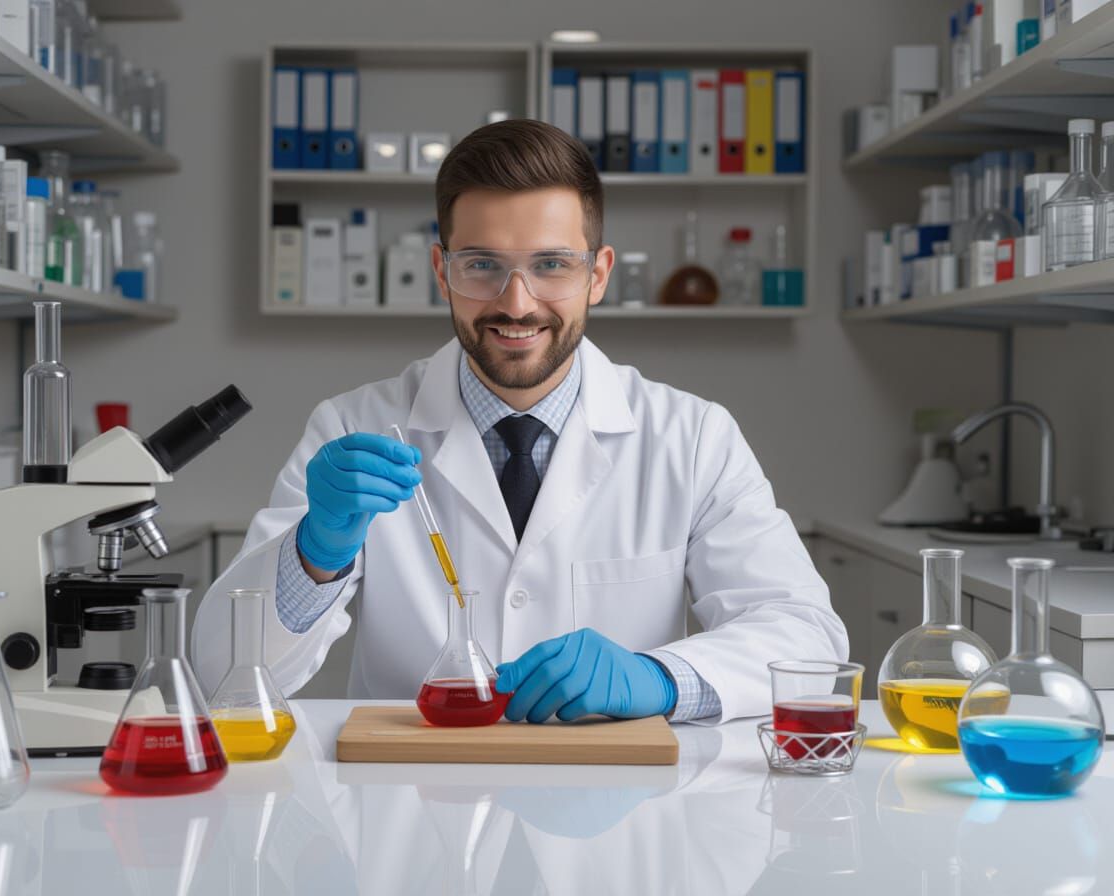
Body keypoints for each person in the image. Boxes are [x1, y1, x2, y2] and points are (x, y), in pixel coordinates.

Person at [192, 119, 846, 724]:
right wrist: (312, 557)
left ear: (598, 275)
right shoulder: (357, 425)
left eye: (551, 264)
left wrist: (662, 678)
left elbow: (805, 636)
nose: (516, 303)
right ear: (442, 273)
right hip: (413, 810)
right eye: (482, 265)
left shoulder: (692, 437)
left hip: (615, 821)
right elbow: (221, 675)